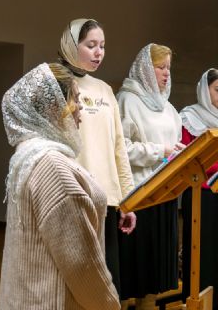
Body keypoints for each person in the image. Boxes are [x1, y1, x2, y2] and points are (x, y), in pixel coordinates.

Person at [0, 63, 120, 310]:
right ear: (54, 106)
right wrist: (109, 304)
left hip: (28, 297)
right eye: (75, 98)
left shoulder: (29, 154)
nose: (81, 107)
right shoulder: (53, 167)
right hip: (51, 300)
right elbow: (81, 264)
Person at [58, 19, 136, 298]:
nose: (98, 52)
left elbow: (119, 149)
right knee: (77, 283)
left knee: (106, 283)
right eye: (91, 45)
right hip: (74, 196)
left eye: (102, 46)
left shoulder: (105, 90)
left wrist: (127, 199)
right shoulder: (58, 83)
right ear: (71, 45)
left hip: (108, 199)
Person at [116, 44, 183, 309]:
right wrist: (160, 151)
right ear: (145, 68)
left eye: (169, 68)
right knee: (133, 270)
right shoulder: (127, 99)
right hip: (139, 195)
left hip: (165, 194)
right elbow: (121, 149)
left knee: (155, 273)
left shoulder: (168, 107)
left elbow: (174, 144)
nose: (167, 73)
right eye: (160, 67)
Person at [179, 68, 218, 310]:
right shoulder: (189, 117)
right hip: (198, 191)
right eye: (217, 90)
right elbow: (187, 155)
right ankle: (195, 299)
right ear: (205, 90)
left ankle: (216, 301)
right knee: (198, 249)